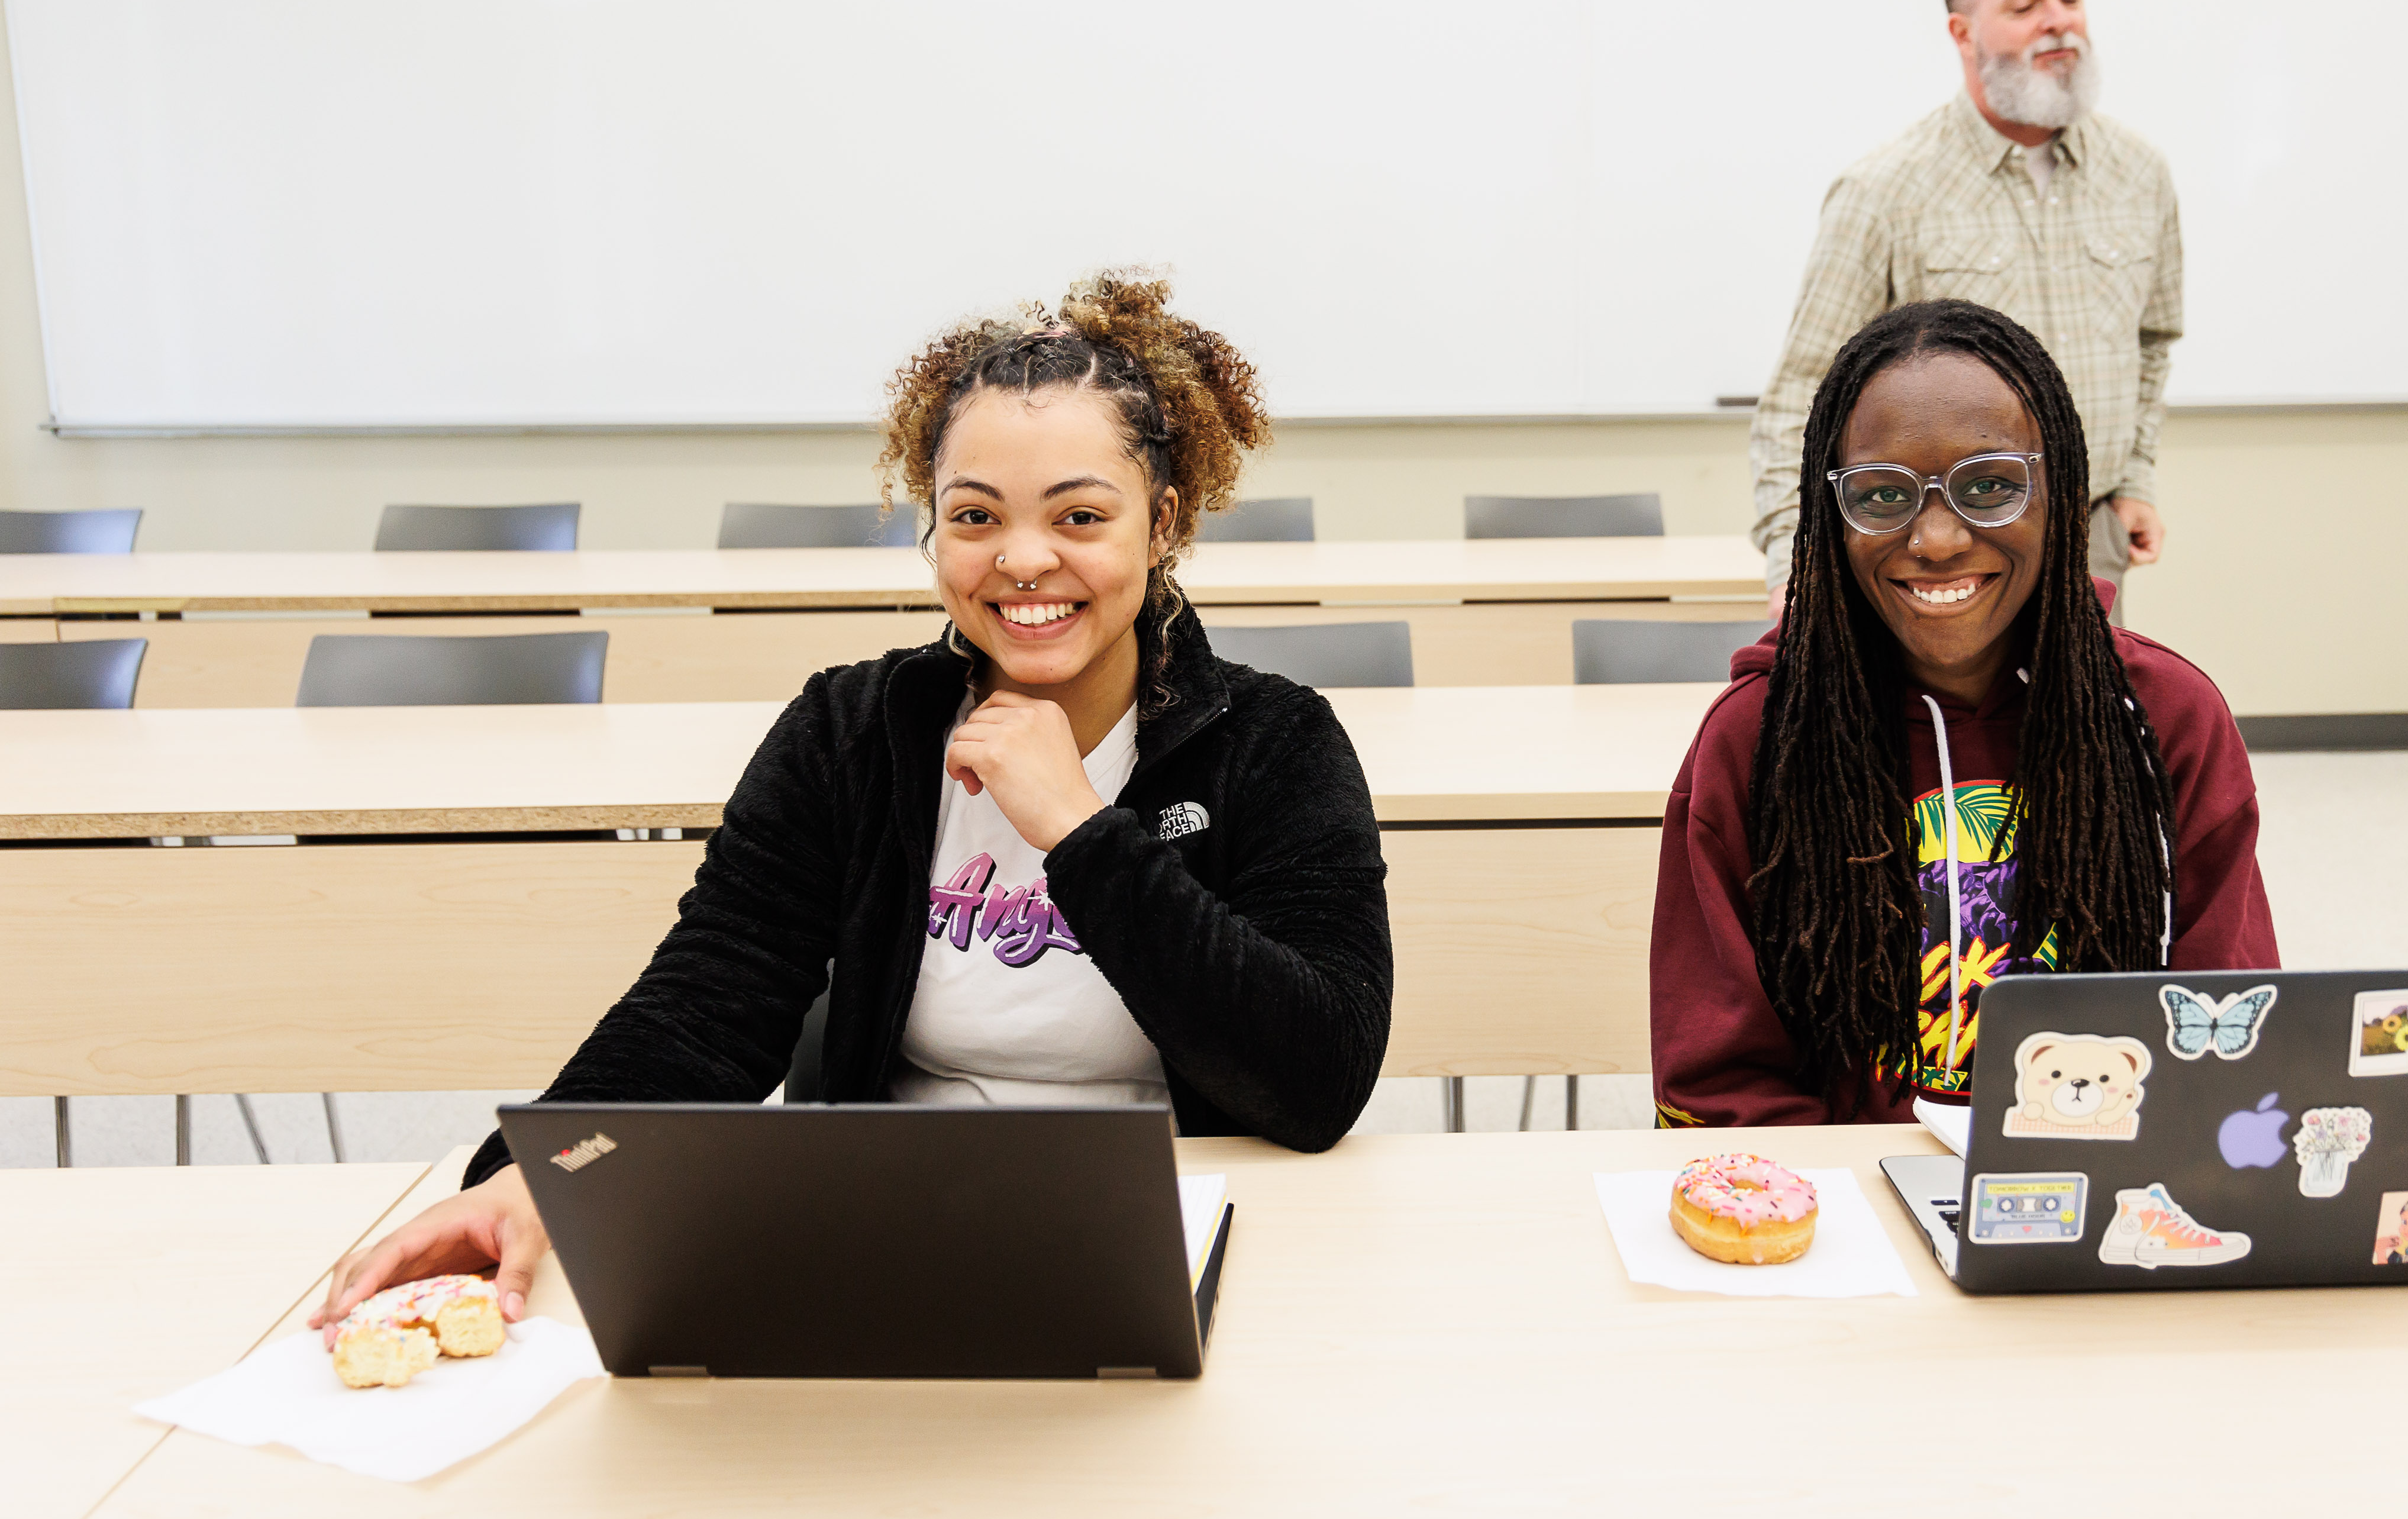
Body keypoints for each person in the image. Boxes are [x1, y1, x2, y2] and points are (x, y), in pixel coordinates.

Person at [312, 273, 1395, 1333]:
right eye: (975, 516)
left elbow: (1317, 1079)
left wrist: (1080, 829)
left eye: (1079, 515)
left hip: (1181, 1231)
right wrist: (539, 1176)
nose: (1023, 559)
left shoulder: (1274, 743)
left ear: (1161, 524)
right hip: (886, 1237)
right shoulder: (851, 731)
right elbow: (707, 1003)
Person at [1651, 298, 2272, 1128]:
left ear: (2062, 494)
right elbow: (1719, 1087)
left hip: (2099, 1207)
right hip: (1847, 1221)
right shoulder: (1757, 740)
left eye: (1990, 487)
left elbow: (2224, 1038)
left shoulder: (2164, 720)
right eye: (1880, 496)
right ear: (1829, 518)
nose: (1938, 538)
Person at [1747, 0, 2180, 627]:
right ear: (1962, 33)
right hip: (1945, 544)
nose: (2058, 23)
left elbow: (2153, 342)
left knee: (2080, 735)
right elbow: (1802, 391)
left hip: (2087, 534)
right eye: (2025, 5)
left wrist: (2134, 478)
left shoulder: (2140, 173)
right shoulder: (1885, 190)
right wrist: (1795, 563)